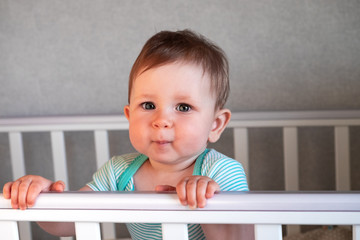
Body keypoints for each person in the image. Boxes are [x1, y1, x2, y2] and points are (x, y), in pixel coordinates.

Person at [3, 29, 253, 239]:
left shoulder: (220, 173)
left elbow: (242, 236)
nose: (161, 120)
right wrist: (42, 198)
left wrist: (208, 202)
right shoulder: (120, 172)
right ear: (130, 114)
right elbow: (67, 224)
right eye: (148, 105)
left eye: (184, 107)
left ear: (216, 125)